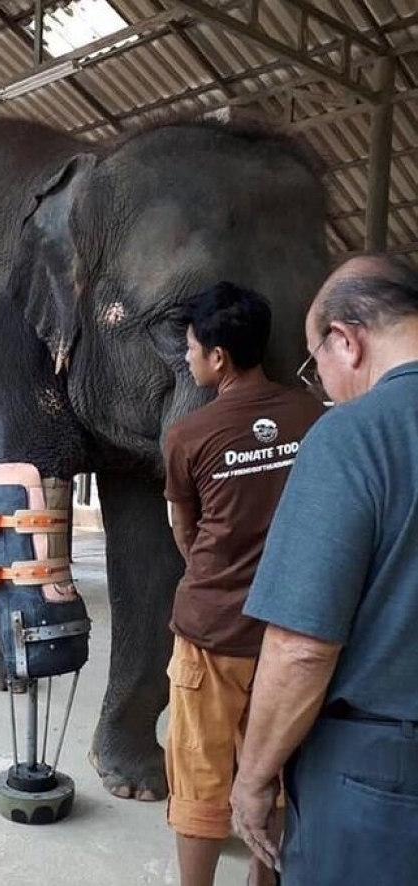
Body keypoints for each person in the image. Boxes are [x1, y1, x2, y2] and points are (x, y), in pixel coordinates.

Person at [231, 253, 418, 886]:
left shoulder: (354, 436)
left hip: (380, 782)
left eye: (316, 366)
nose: (323, 386)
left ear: (346, 340)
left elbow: (301, 647)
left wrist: (254, 779)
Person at [163, 281, 324, 886]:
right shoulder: (311, 416)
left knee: (199, 775)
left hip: (211, 632)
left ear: (218, 356)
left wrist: (220, 574)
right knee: (275, 767)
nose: (187, 358)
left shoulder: (188, 435)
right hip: (289, 629)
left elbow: (185, 533)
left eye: (190, 347)